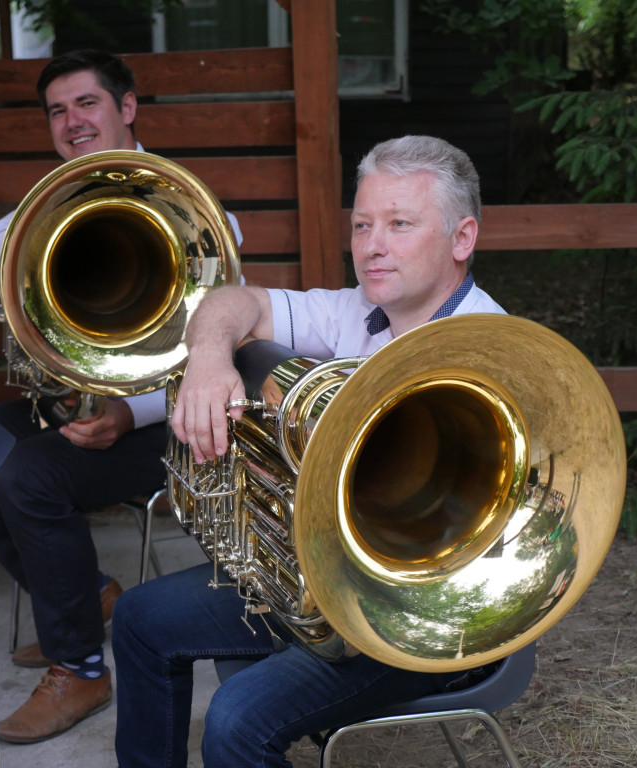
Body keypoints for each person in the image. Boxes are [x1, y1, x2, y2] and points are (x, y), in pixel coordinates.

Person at [112, 135, 507, 767]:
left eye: (400, 224)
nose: (372, 246)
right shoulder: (359, 309)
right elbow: (232, 301)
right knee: (139, 618)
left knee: (236, 717)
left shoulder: (492, 355)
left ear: (462, 240)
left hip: (423, 626)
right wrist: (210, 360)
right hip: (327, 587)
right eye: (362, 225)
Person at [0, 49, 242, 745]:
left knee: (29, 475)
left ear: (127, 107)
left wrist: (128, 413)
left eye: (86, 103)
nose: (70, 120)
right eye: (56, 111)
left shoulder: (194, 209)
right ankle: (84, 599)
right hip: (72, 404)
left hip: (168, 423)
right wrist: (64, 195)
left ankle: (80, 664)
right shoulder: (52, 199)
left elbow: (219, 352)